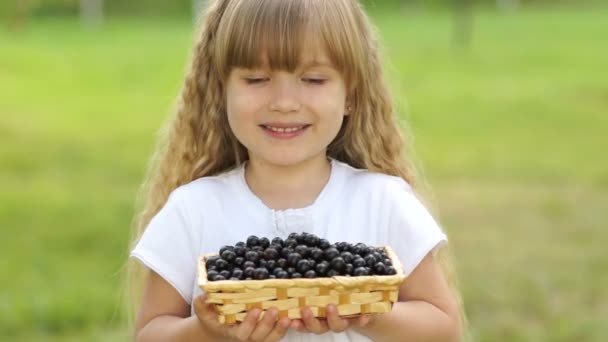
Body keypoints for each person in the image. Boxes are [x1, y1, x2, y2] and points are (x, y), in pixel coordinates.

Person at [128, 0, 464, 341]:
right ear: (221, 91)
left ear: (351, 94)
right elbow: (151, 332)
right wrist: (206, 331)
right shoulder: (192, 210)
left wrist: (365, 311)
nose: (284, 102)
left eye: (313, 79)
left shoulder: (385, 201)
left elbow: (443, 326)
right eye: (256, 79)